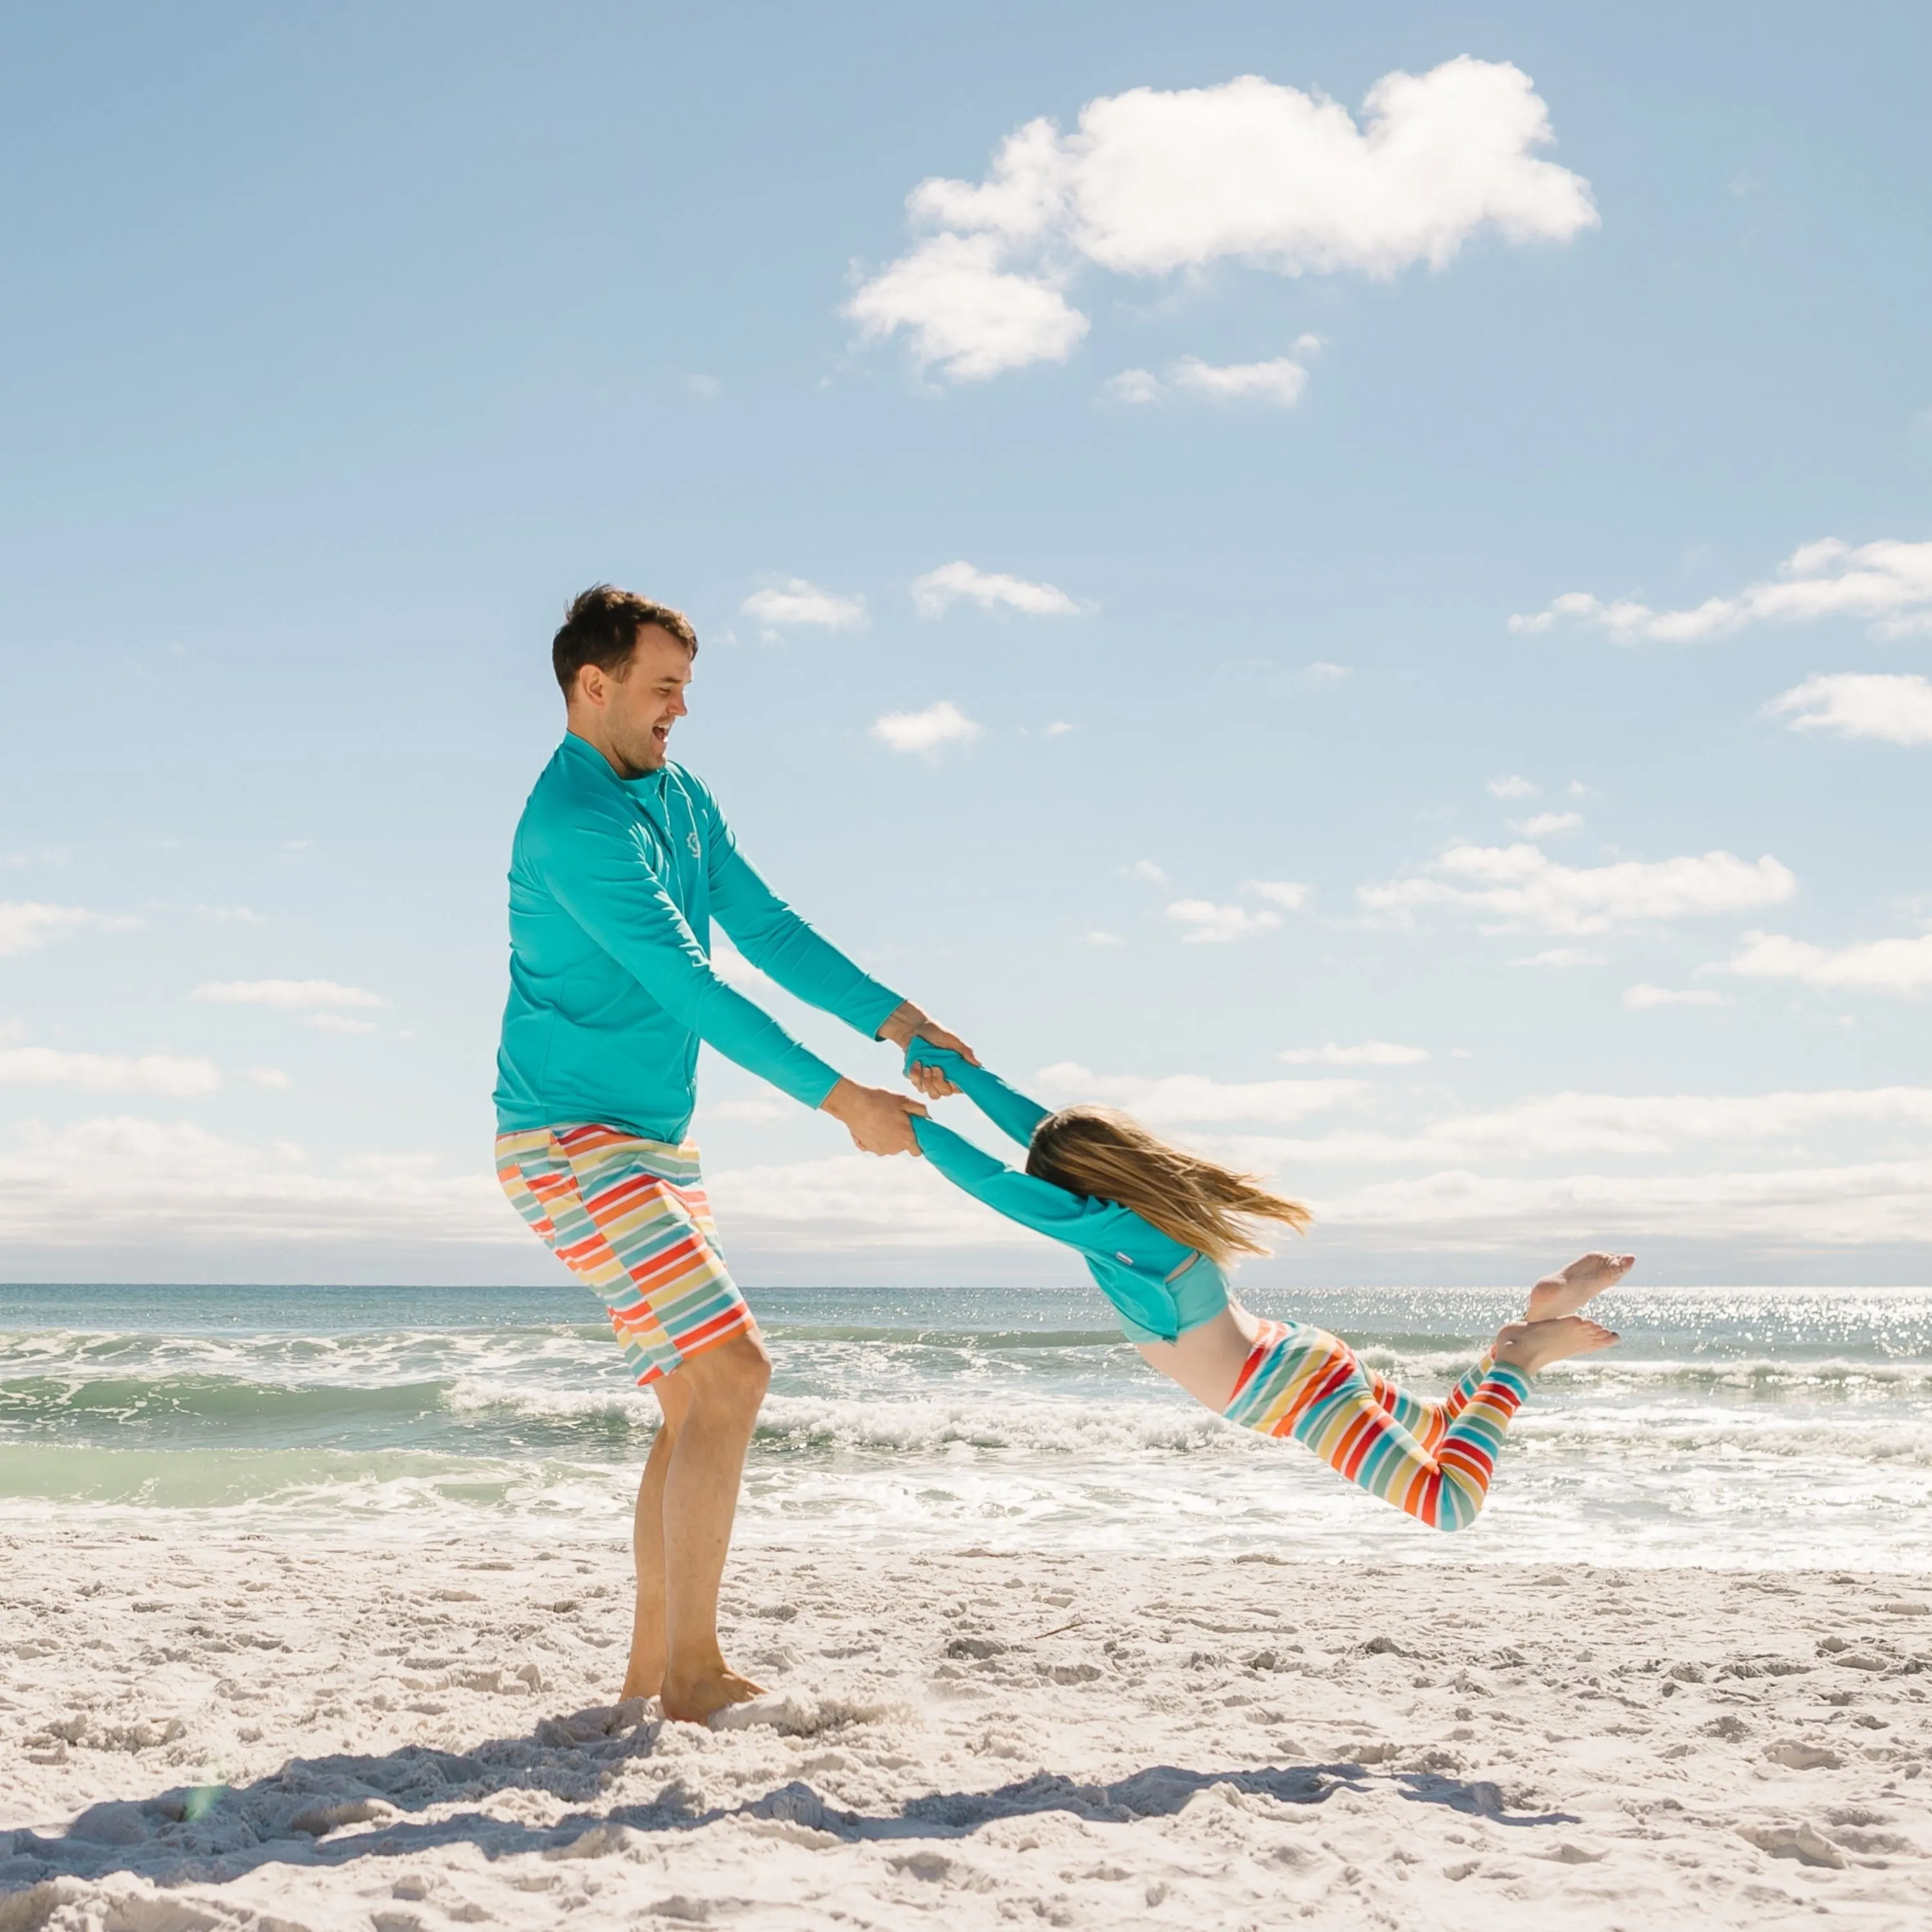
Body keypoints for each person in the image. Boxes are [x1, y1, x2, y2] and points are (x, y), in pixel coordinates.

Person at [493, 585, 973, 1723]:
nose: (681, 711)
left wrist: (894, 1019)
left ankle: (655, 1675)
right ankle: (696, 1674)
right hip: (571, 1145)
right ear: (592, 686)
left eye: (687, 691)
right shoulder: (572, 826)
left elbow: (765, 930)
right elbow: (690, 986)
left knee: (695, 1398)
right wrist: (842, 1100)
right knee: (736, 1372)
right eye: (664, 689)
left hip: (649, 1148)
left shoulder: (679, 797)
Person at [902, 1039, 1624, 1531]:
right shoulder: (1147, 1209)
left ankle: (1522, 1357)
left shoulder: (1119, 1233)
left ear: (1072, 1188)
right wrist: (958, 1077)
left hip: (1290, 1388)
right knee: (1439, 1427)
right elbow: (1045, 1136)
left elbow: (1002, 1184)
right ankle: (1525, 1328)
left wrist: (917, 1133)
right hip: (1295, 1359)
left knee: (1450, 1504)